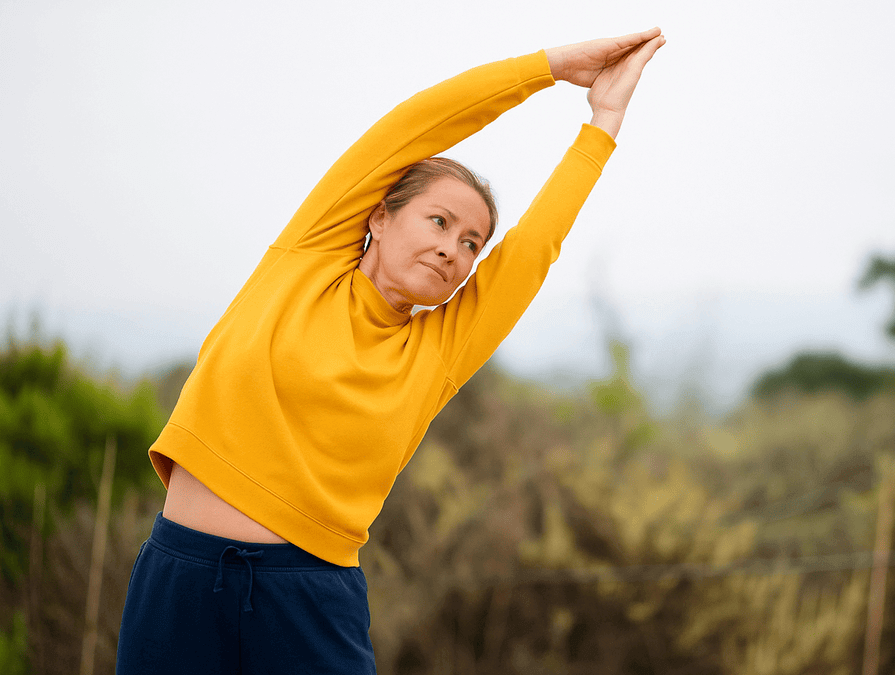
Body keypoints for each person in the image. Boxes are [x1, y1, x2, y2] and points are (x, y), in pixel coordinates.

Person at [114, 28, 666, 674]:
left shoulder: (436, 351)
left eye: (471, 243)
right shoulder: (306, 259)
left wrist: (602, 124)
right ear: (378, 216)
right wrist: (545, 69)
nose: (453, 249)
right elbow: (413, 126)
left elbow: (534, 247)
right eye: (439, 222)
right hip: (182, 582)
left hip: (309, 603)